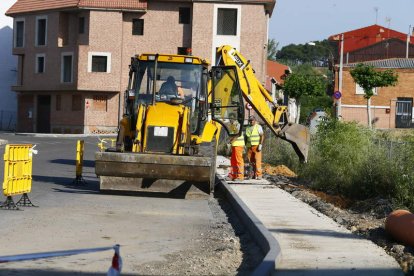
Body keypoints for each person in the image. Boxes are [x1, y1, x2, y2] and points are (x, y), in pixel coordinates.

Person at [245, 115, 264, 180]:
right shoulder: (247, 128)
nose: (251, 121)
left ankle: (259, 175)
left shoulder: (258, 127)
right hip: (249, 147)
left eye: (252, 120)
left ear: (255, 120)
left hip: (256, 146)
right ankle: (252, 175)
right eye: (250, 120)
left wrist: (260, 145)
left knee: (257, 161)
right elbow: (246, 138)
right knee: (250, 161)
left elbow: (262, 136)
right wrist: (245, 146)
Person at [227, 115, 245, 181]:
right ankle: (233, 175)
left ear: (233, 119)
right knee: (233, 161)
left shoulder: (237, 124)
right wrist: (229, 142)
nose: (229, 120)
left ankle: (240, 176)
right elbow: (232, 135)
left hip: (238, 145)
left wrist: (231, 141)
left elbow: (238, 134)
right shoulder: (232, 125)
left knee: (239, 161)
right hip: (234, 145)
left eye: (230, 119)